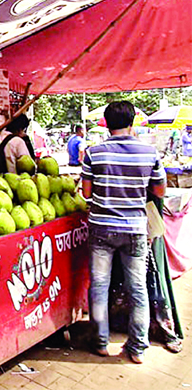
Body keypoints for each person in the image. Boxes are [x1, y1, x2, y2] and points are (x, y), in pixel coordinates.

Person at [81, 101, 166, 364]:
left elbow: (86, 193)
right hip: (135, 229)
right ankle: (138, 347)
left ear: (106, 123)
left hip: (102, 228)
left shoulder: (94, 153)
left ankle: (101, 343)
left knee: (100, 286)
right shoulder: (149, 152)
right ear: (132, 122)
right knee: (137, 288)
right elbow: (160, 191)